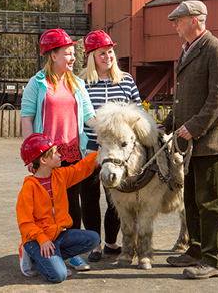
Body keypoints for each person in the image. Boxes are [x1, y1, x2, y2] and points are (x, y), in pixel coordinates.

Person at [161, 0, 218, 279]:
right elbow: (184, 97)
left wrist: (193, 127)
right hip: (192, 143)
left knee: (211, 202)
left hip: (210, 142)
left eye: (178, 20)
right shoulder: (189, 51)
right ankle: (195, 250)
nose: (174, 25)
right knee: (192, 200)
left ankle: (215, 260)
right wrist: (168, 124)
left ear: (194, 20)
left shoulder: (216, 50)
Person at [20, 28, 96, 271]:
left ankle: (70, 253)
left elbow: (89, 116)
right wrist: (32, 153)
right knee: (44, 206)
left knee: (73, 205)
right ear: (53, 56)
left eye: (74, 53)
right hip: (47, 156)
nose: (73, 57)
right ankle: (34, 247)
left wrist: (109, 130)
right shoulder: (37, 84)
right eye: (68, 53)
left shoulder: (78, 84)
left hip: (72, 153)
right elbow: (26, 118)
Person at [78, 30, 141, 262]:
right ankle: (95, 244)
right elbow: (79, 114)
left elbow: (138, 112)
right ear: (91, 57)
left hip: (116, 155)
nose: (108, 57)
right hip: (90, 151)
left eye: (110, 52)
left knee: (118, 198)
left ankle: (112, 241)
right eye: (102, 53)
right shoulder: (82, 83)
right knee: (89, 198)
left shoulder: (126, 81)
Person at [16, 133, 100, 283]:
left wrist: (102, 152)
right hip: (36, 240)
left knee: (93, 239)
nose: (60, 155)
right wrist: (42, 240)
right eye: (55, 152)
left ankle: (52, 257)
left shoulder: (60, 175)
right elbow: (25, 223)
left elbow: (82, 168)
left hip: (57, 236)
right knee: (58, 276)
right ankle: (31, 255)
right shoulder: (29, 187)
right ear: (43, 160)